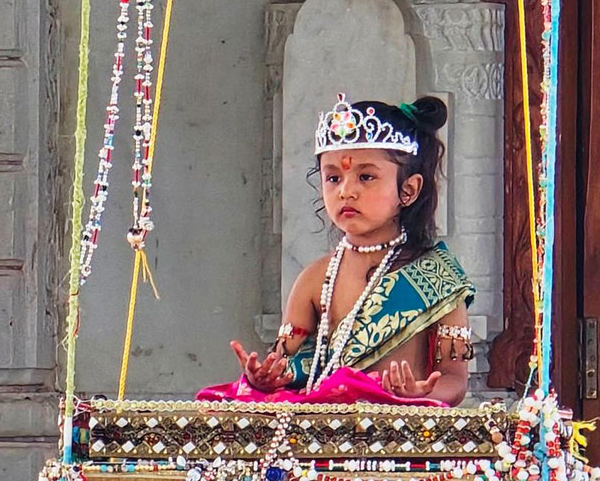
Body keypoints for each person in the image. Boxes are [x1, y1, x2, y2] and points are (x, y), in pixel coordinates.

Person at [198, 94, 475, 407]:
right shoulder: (315, 279)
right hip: (321, 440)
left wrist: (417, 396)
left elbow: (455, 380)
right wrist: (264, 380)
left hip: (401, 440)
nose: (346, 191)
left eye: (366, 177)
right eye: (333, 177)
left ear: (408, 190)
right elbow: (287, 365)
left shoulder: (439, 278)